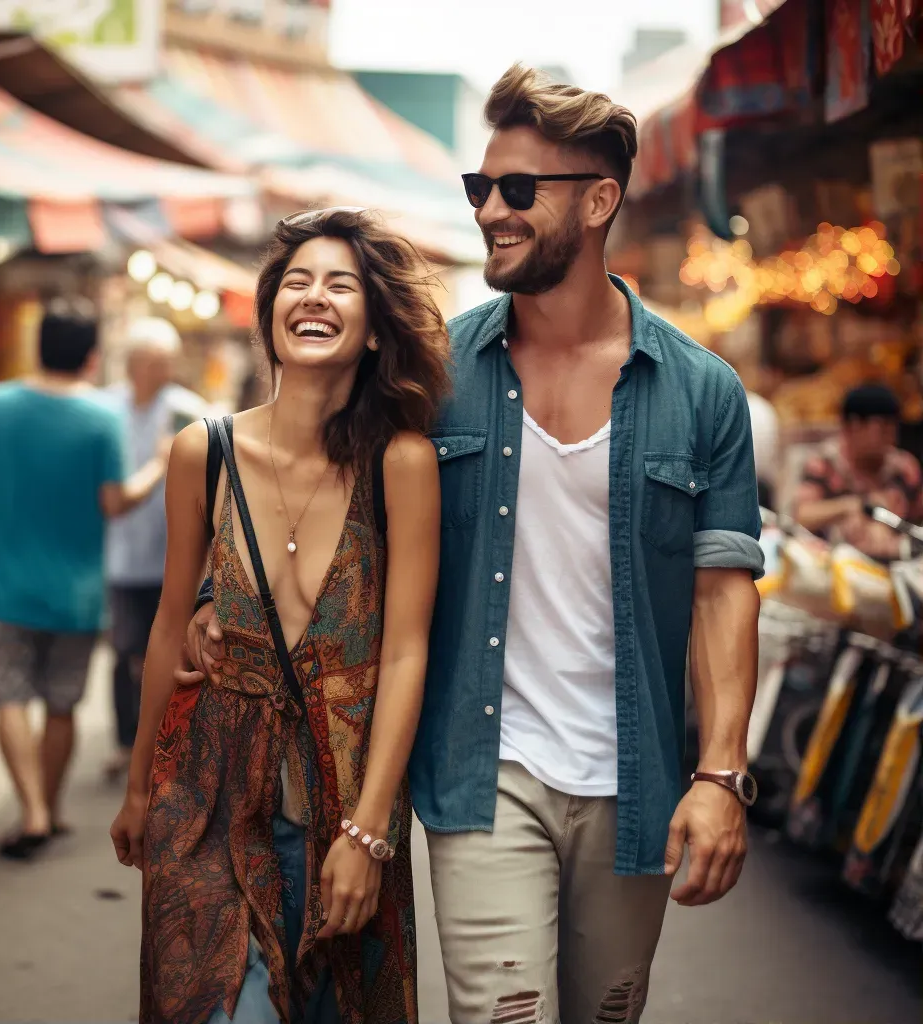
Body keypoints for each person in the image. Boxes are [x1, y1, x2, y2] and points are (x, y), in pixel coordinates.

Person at [186, 64, 764, 1024]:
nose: (491, 209)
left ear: (599, 201)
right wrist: (224, 592)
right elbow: (321, 494)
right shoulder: (437, 374)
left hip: (637, 778)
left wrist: (721, 774)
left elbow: (723, 588)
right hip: (480, 773)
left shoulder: (701, 392)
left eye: (519, 190)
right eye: (480, 188)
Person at [110, 209, 445, 1024]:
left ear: (372, 330)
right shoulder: (205, 451)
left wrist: (369, 835)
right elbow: (165, 629)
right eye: (296, 281)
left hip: (340, 812)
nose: (314, 296)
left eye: (341, 284)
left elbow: (405, 653)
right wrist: (138, 786)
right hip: (209, 797)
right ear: (270, 315)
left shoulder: (399, 463)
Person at [0, 301, 170, 860]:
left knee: (9, 700)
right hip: (76, 593)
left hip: (1, 584)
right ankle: (47, 806)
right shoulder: (102, 419)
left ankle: (33, 812)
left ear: (36, 346)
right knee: (62, 706)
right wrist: (160, 465)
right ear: (93, 356)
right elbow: (115, 504)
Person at [102, 317, 207, 780]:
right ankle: (128, 742)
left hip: (174, 554)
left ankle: (168, 740)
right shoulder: (105, 410)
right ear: (131, 364)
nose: (161, 370)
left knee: (169, 650)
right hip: (119, 555)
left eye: (167, 362)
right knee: (126, 650)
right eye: (152, 362)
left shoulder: (188, 411)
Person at [794, 382, 921, 560]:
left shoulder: (904, 468)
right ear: (853, 426)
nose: (890, 435)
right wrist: (851, 506)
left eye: (892, 426)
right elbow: (802, 515)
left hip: (900, 564)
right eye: (882, 427)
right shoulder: (824, 464)